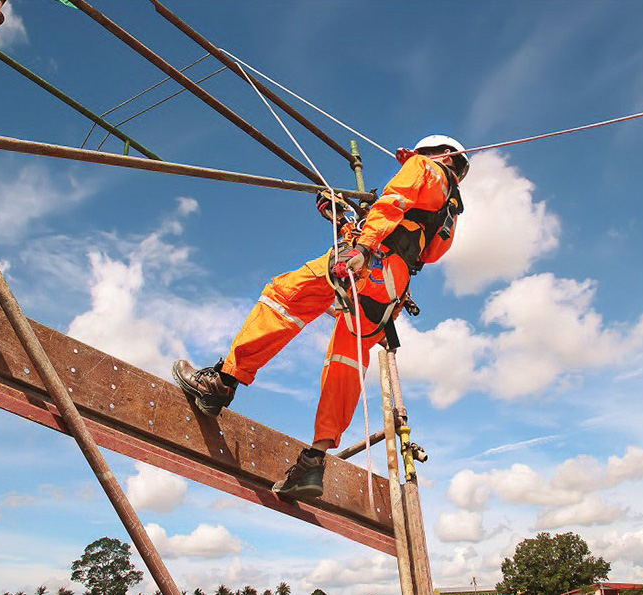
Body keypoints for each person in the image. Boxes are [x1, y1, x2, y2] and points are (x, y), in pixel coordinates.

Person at [172, 135, 469, 499]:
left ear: (438, 154)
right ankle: (313, 461)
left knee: (284, 298)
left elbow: (391, 204)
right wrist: (344, 219)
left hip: (369, 265)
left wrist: (360, 247)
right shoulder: (449, 212)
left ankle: (221, 382)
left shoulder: (424, 167)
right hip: (391, 288)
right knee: (345, 363)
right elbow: (409, 241)